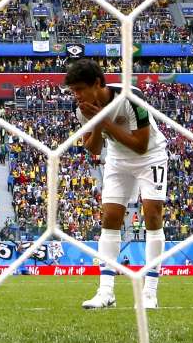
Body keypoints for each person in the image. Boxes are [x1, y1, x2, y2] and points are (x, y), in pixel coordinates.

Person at [65, 60, 169, 310]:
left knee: (152, 215)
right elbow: (93, 147)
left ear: (98, 84)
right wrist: (98, 122)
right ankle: (106, 292)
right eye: (73, 91)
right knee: (110, 217)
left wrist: (103, 119)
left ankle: (149, 293)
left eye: (80, 89)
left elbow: (140, 145)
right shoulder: (82, 110)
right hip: (117, 159)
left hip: (151, 156)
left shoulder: (131, 99)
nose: (77, 96)